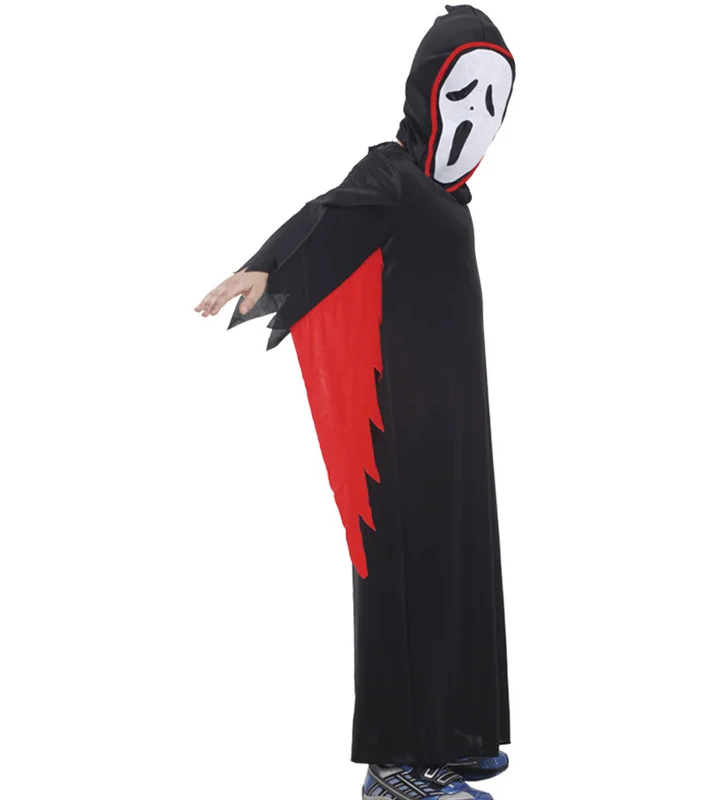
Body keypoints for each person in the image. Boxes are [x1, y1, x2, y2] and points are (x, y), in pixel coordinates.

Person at [194, 5, 515, 799]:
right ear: (425, 90)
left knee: (458, 568)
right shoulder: (394, 174)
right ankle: (397, 767)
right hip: (398, 427)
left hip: (455, 427)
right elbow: (331, 216)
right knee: (408, 577)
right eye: (461, 91)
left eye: (494, 101)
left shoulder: (451, 199)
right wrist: (266, 269)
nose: (475, 116)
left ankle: (456, 735)